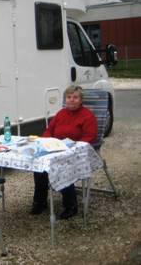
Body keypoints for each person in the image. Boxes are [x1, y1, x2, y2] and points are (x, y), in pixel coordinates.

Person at [31, 85, 98, 220]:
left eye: (75, 97)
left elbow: (90, 136)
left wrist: (73, 147)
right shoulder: (61, 113)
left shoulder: (87, 116)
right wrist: (45, 141)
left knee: (62, 166)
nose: (71, 100)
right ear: (65, 99)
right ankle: (40, 202)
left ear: (81, 100)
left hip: (76, 151)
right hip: (56, 148)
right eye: (69, 97)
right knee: (39, 166)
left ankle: (70, 205)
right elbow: (50, 130)